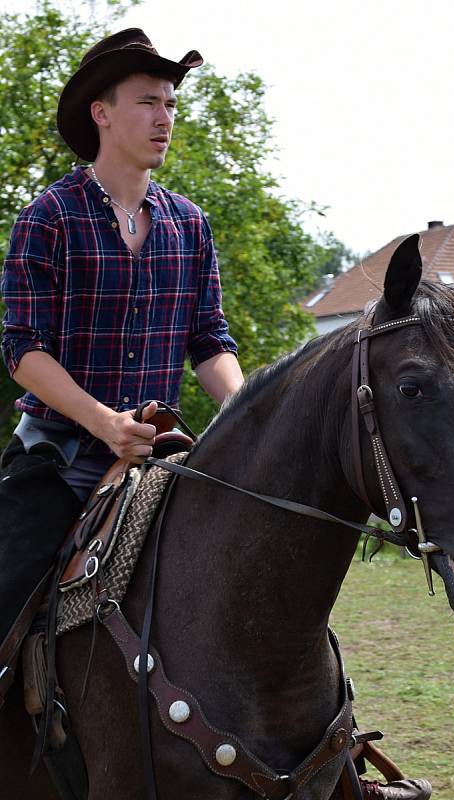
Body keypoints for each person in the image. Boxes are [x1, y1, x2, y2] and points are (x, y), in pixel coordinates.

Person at [0, 28, 243, 670]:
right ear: (101, 113)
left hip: (164, 458)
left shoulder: (189, 224)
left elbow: (209, 340)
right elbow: (23, 350)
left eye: (170, 104)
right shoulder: (48, 218)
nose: (164, 118)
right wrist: (107, 424)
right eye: (147, 102)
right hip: (61, 457)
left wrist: (245, 413)